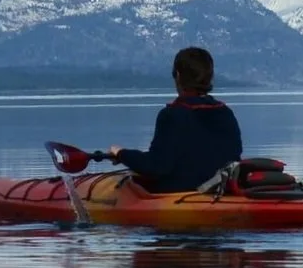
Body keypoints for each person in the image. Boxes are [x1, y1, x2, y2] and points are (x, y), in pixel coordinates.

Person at [104, 47, 243, 193]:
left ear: (177, 75)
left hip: (181, 192)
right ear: (210, 76)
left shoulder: (172, 115)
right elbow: (232, 157)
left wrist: (121, 153)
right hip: (222, 189)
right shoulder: (225, 113)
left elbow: (156, 166)